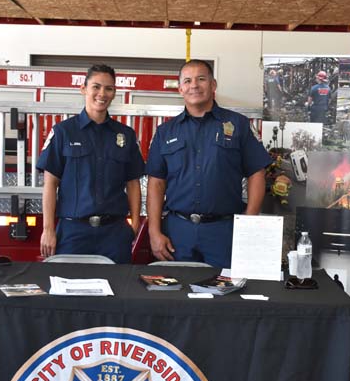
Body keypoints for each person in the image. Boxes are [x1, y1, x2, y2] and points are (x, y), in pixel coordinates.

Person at [146, 59, 273, 268]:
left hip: (224, 231)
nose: (194, 85)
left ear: (213, 85)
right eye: (187, 81)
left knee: (226, 295)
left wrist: (249, 223)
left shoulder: (239, 125)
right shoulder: (165, 132)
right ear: (180, 89)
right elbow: (156, 183)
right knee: (177, 296)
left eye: (201, 79)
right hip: (178, 233)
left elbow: (256, 173)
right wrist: (154, 232)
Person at [37, 64, 144, 263]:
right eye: (96, 86)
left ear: (114, 93)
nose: (102, 93)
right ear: (83, 89)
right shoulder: (63, 132)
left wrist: (135, 224)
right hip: (73, 232)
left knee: (118, 290)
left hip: (115, 234)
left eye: (109, 88)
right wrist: (48, 229)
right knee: (69, 290)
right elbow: (50, 184)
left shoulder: (125, 135)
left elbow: (133, 183)